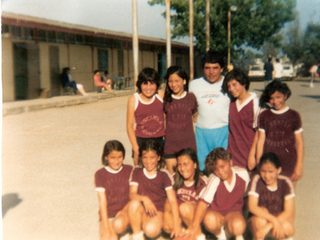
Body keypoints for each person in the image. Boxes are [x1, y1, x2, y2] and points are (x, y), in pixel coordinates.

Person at [186, 148, 250, 240]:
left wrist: (243, 220)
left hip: (233, 213)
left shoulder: (243, 174)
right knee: (209, 220)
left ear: (230, 162)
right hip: (217, 214)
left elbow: (246, 197)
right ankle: (220, 235)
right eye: (216, 169)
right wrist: (195, 225)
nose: (220, 171)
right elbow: (203, 203)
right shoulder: (214, 179)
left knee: (238, 226)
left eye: (223, 166)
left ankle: (230, 233)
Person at [128, 139, 182, 240]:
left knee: (150, 230)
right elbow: (132, 194)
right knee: (133, 204)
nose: (148, 161)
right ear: (141, 157)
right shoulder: (136, 170)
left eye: (152, 157)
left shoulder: (164, 174)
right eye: (145, 157)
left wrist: (176, 224)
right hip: (143, 209)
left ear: (158, 157)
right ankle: (137, 236)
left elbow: (172, 201)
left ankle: (153, 226)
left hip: (158, 211)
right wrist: (145, 199)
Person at [189, 50, 230, 171]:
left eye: (215, 68)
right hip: (201, 133)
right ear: (203, 68)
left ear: (222, 68)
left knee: (222, 168)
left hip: (223, 132)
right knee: (203, 169)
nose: (211, 72)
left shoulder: (229, 83)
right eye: (207, 68)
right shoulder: (194, 84)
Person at [257, 81, 304, 185]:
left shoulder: (294, 115)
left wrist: (298, 166)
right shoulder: (264, 115)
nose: (275, 101)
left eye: (278, 97)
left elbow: (299, 142)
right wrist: (259, 162)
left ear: (285, 96)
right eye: (271, 98)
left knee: (288, 193)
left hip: (289, 162)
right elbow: (260, 140)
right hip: (269, 163)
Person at [248, 152, 295, 240]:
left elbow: (288, 211)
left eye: (271, 171)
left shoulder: (286, 182)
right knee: (260, 220)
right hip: (259, 221)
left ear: (279, 170)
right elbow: (252, 207)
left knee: (288, 227)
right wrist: (273, 221)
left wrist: (271, 224)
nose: (267, 176)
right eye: (263, 171)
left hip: (277, 220)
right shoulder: (256, 180)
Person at [163, 148, 207, 240]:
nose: (182, 168)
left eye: (186, 164)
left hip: (195, 219)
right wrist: (167, 215)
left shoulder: (203, 181)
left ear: (195, 164)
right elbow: (168, 201)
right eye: (179, 165)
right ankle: (183, 233)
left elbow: (204, 208)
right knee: (167, 225)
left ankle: (199, 236)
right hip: (180, 218)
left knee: (184, 208)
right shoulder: (173, 178)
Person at [222, 69, 260, 171]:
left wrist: (252, 156)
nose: (231, 89)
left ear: (243, 83)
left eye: (234, 84)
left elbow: (259, 132)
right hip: (233, 155)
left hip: (250, 154)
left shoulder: (256, 102)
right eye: (229, 86)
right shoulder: (231, 101)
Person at [94, 140, 133, 240]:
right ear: (106, 157)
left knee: (118, 225)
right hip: (109, 215)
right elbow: (102, 202)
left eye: (120, 157)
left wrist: (125, 211)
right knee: (109, 237)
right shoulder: (99, 174)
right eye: (112, 157)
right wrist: (106, 227)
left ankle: (127, 230)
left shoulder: (129, 169)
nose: (117, 161)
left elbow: (134, 195)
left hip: (125, 213)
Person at [126, 67, 165, 166]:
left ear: (157, 84)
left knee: (158, 174)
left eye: (152, 83)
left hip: (159, 141)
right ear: (140, 84)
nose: (149, 87)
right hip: (141, 141)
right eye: (145, 83)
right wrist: (136, 148)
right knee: (140, 174)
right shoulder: (134, 99)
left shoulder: (161, 95)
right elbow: (129, 126)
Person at [163, 66, 198, 174]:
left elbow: (195, 115)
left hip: (188, 147)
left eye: (177, 81)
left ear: (184, 81)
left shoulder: (191, 98)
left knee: (188, 180)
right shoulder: (165, 99)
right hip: (170, 147)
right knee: (173, 180)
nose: (173, 84)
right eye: (170, 81)